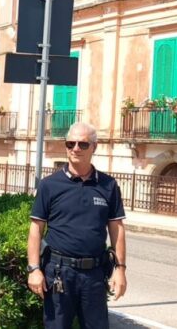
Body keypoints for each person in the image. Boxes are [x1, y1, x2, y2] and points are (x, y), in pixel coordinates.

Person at [27, 122, 127, 329]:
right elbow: (36, 229)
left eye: (83, 144)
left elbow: (117, 230)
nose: (75, 149)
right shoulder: (49, 185)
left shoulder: (108, 185)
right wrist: (34, 269)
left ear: (94, 147)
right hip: (58, 273)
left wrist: (120, 270)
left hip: (95, 274)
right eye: (70, 143)